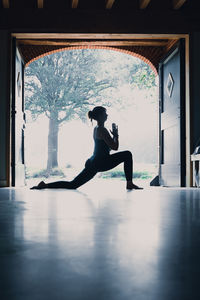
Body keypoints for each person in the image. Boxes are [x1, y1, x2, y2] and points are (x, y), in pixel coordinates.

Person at [31, 106, 142, 190]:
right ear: (99, 116)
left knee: (73, 184)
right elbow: (115, 147)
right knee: (127, 154)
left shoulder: (97, 128)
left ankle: (44, 185)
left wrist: (114, 136)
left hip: (93, 161)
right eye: (105, 113)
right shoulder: (102, 130)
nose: (107, 115)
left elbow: (109, 147)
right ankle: (129, 183)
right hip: (101, 162)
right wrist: (116, 135)